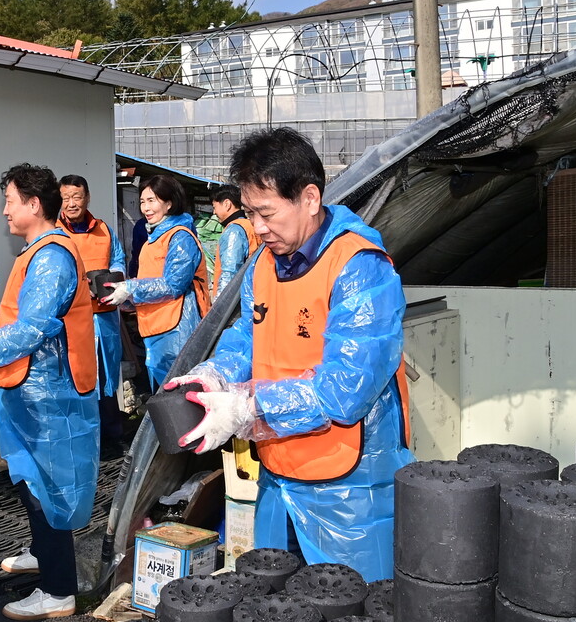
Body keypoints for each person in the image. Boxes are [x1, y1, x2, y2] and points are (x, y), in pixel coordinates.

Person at [167, 128, 414, 582]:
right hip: (279, 472)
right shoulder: (264, 263)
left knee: (348, 600)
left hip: (349, 484)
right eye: (249, 214)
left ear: (310, 197)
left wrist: (246, 407)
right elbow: (248, 334)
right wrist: (215, 375)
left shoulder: (359, 266)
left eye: (266, 213)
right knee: (279, 597)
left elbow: (344, 392)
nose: (257, 228)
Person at [0, 163, 98, 621]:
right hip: (30, 390)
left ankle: (57, 589)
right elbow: (13, 316)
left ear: (33, 204)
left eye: (9, 200)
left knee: (45, 487)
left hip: (49, 395)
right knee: (31, 481)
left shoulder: (51, 257)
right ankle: (43, 551)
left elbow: (30, 329)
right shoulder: (35, 252)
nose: (5, 209)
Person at [103, 175, 209, 391]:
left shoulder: (180, 237)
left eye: (152, 200)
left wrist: (131, 288)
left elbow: (173, 284)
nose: (145, 208)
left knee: (180, 399)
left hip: (177, 329)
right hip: (156, 327)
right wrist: (124, 299)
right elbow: (150, 285)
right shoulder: (155, 238)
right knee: (163, 398)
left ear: (169, 203)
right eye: (142, 201)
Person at [57, 174, 127, 460]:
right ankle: (82, 440)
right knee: (76, 378)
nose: (72, 203)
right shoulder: (55, 233)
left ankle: (111, 437)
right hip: (72, 321)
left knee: (106, 379)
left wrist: (114, 280)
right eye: (66, 198)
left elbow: (119, 259)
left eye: (77, 197)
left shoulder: (104, 231)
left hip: (105, 318)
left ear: (87, 198)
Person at [209, 184, 261, 299]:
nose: (214, 212)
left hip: (236, 302)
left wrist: (220, 307)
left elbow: (229, 272)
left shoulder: (234, 230)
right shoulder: (249, 225)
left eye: (214, 207)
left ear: (227, 204)